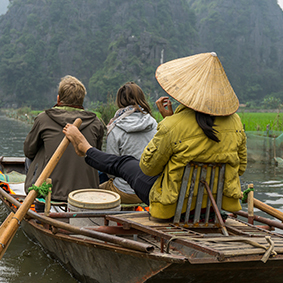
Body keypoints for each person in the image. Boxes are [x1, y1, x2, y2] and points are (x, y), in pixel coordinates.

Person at [63, 52, 247, 220]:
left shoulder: (172, 125)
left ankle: (85, 148)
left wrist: (169, 122)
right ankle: (87, 149)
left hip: (174, 206)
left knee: (125, 163)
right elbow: (240, 168)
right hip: (215, 202)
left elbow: (148, 168)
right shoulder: (236, 122)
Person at [24, 75, 104, 203]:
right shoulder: (95, 122)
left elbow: (29, 152)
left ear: (58, 98)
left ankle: (37, 190)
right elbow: (96, 153)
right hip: (87, 194)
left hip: (50, 192)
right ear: (82, 101)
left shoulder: (43, 118)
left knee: (29, 157)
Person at [99, 82, 157, 204]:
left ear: (119, 101)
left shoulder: (115, 127)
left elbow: (111, 169)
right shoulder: (154, 123)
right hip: (152, 189)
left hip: (125, 191)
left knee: (95, 188)